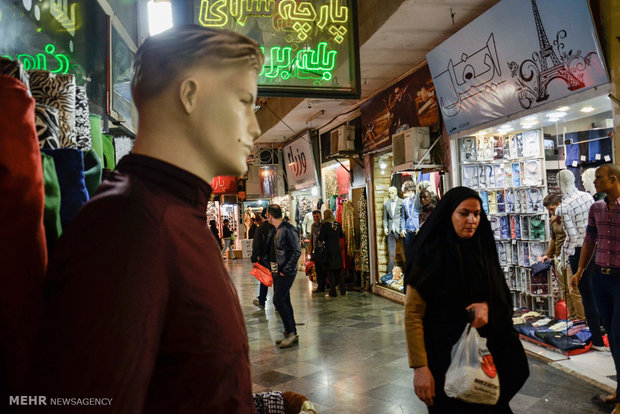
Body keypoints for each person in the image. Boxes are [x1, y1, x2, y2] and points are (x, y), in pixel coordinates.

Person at [27, 25, 263, 412]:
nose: (254, 126)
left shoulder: (171, 214)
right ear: (189, 95)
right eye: (243, 100)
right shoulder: (130, 227)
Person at [404, 187, 528, 413]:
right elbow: (413, 314)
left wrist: (488, 307)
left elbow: (501, 298)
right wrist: (420, 367)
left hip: (486, 360)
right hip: (444, 360)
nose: (472, 220)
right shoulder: (430, 255)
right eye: (464, 213)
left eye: (477, 214)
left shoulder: (482, 250)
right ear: (449, 213)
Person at [571, 164, 620, 414]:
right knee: (612, 336)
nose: (595, 181)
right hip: (601, 276)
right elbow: (589, 240)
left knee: (619, 334)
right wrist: (580, 270)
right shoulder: (596, 208)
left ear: (613, 179)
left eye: (599, 177)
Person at [555, 170, 606, 350]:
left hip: (579, 252)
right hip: (596, 248)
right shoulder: (587, 197)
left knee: (587, 295)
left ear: (560, 183)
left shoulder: (564, 207)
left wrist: (563, 255)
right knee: (598, 292)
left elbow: (573, 237)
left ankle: (598, 340)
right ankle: (605, 334)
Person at [541, 193, 584, 320]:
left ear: (559, 204)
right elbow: (554, 238)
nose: (551, 212)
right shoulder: (553, 219)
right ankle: (572, 317)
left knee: (574, 290)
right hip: (558, 257)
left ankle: (582, 319)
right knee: (564, 290)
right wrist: (548, 255)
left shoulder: (570, 217)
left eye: (552, 209)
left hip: (570, 256)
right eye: (549, 210)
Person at [267, 204, 301, 349]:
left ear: (270, 215)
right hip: (278, 271)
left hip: (286, 272)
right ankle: (290, 333)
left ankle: (291, 333)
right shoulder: (276, 230)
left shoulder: (287, 229)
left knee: (278, 300)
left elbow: (297, 251)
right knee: (285, 300)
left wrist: (285, 270)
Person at [318, 209, 346, 297]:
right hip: (337, 249)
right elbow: (341, 235)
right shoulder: (337, 224)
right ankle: (343, 290)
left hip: (329, 250)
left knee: (330, 271)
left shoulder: (325, 225)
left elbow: (321, 238)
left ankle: (332, 291)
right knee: (338, 271)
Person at [251, 212, 275, 309]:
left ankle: (261, 300)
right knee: (277, 280)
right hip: (277, 258)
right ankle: (279, 303)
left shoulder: (261, 228)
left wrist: (254, 257)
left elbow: (256, 244)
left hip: (265, 257)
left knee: (265, 279)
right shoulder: (277, 226)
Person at [308, 210, 327, 293]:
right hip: (316, 249)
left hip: (323, 249)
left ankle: (324, 286)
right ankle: (320, 287)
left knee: (323, 268)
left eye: (317, 216)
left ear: (321, 216)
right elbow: (312, 237)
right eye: (314, 217)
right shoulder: (313, 226)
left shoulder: (324, 224)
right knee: (318, 269)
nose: (316, 218)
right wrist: (310, 249)